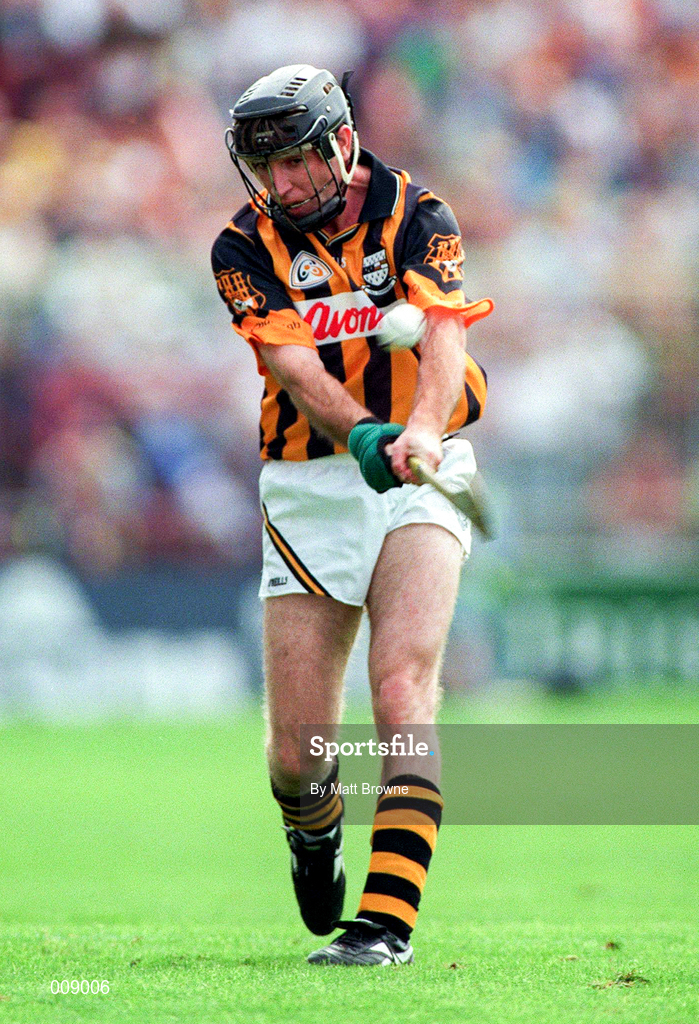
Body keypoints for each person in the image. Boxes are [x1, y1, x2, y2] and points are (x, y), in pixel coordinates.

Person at [211, 64, 492, 966]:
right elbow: (292, 369)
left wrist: (416, 430)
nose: (282, 185)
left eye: (296, 162)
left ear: (340, 144)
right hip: (308, 481)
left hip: (424, 462)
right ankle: (311, 826)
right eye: (268, 170)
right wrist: (367, 433)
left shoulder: (418, 212)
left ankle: (384, 924)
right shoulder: (240, 249)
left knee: (402, 689)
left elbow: (443, 331)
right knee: (297, 753)